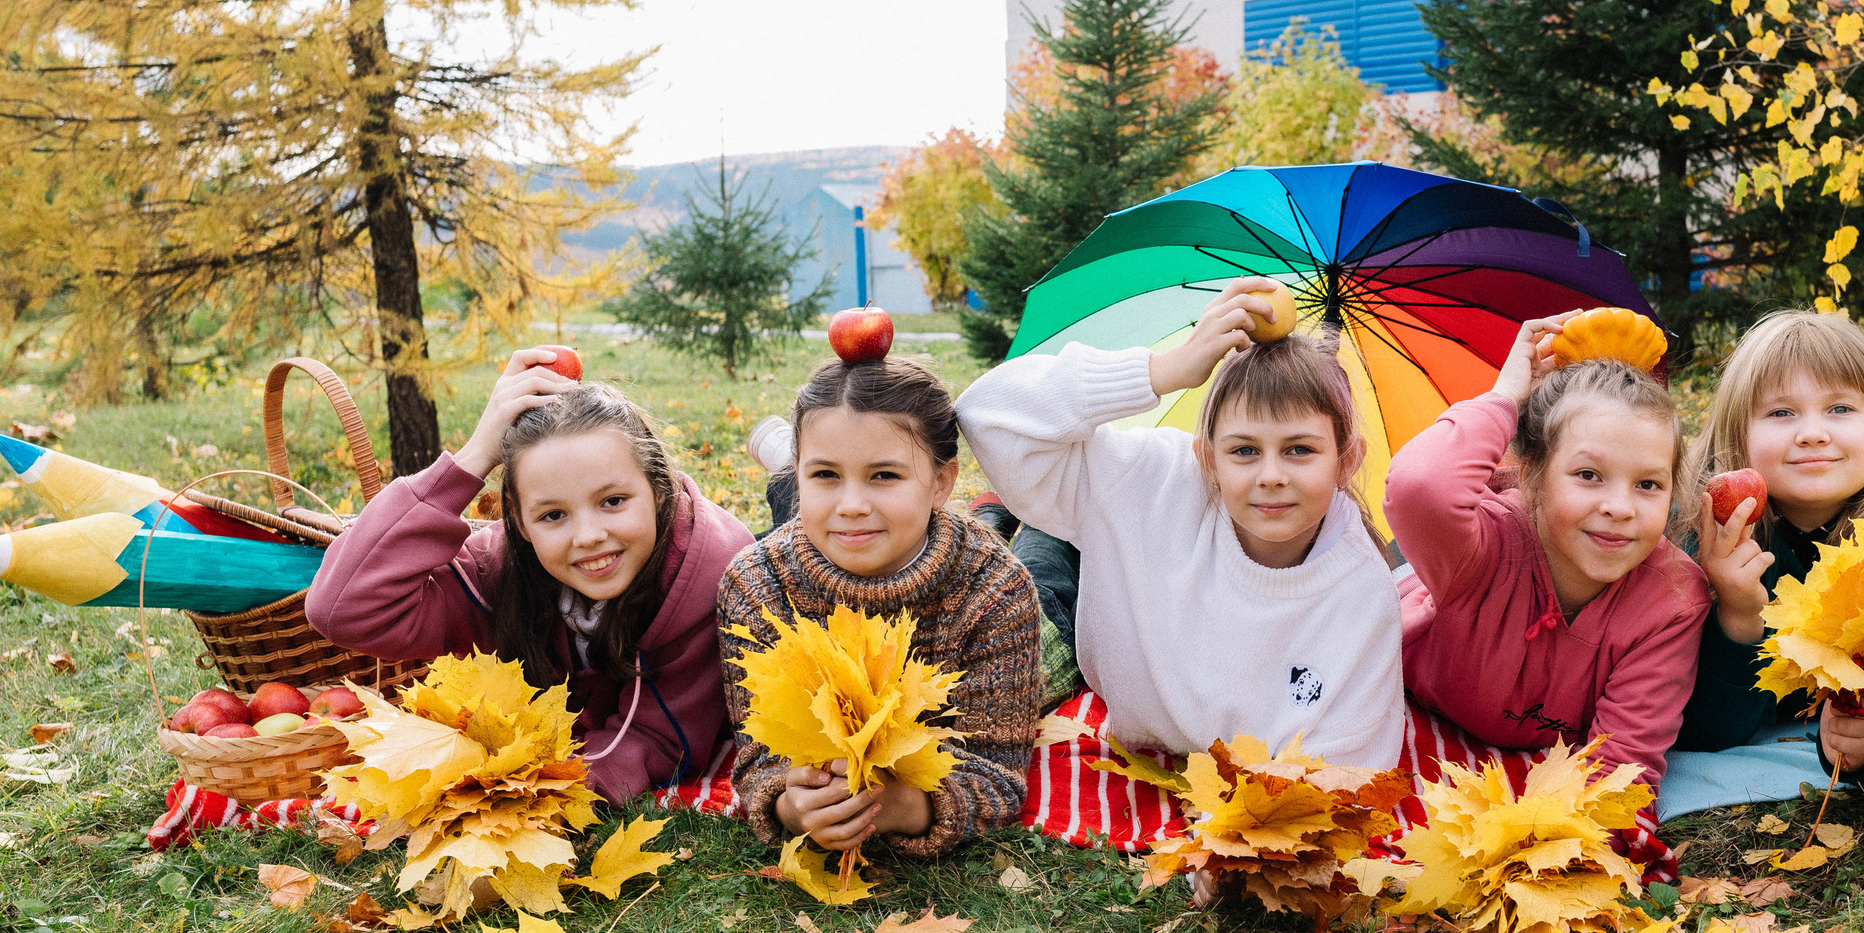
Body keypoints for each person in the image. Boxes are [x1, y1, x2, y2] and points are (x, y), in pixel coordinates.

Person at [956, 277, 1405, 774]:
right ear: (1207, 460)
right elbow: (988, 414)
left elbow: (1352, 766)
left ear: (1347, 461)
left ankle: (998, 515)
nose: (1272, 476)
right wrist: (1166, 369)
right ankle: (994, 517)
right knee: (1036, 582)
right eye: (1244, 450)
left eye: (1300, 449)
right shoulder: (1160, 477)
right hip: (1108, 547)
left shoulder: (1363, 592)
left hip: (1113, 556)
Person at [308, 348, 754, 804]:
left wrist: (532, 797)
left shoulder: (710, 571)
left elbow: (654, 740)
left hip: (597, 764)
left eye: (613, 501)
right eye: (553, 514)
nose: (588, 536)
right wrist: (475, 456)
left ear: (658, 490)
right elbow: (341, 608)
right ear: (518, 523)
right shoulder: (497, 568)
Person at [719, 354, 1037, 859]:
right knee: (841, 518)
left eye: (884, 475)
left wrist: (901, 807)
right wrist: (791, 806)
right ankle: (806, 467)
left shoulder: (997, 591)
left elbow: (996, 776)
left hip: (1024, 602)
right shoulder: (757, 585)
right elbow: (759, 759)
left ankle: (1028, 522)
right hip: (831, 541)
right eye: (824, 473)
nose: (851, 503)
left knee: (1053, 575)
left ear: (940, 482)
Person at [1388, 314, 1711, 786]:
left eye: (1648, 484)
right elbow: (1420, 486)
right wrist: (1504, 398)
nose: (1619, 507)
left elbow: (1622, 766)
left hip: (1537, 759)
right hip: (1416, 705)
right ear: (1533, 474)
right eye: (1588, 475)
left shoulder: (1672, 599)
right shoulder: (1482, 547)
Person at [1673, 309, 1864, 803]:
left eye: (1840, 409)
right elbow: (1706, 732)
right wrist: (1736, 613)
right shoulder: (1700, 530)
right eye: (1780, 412)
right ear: (1736, 434)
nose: (1813, 433)